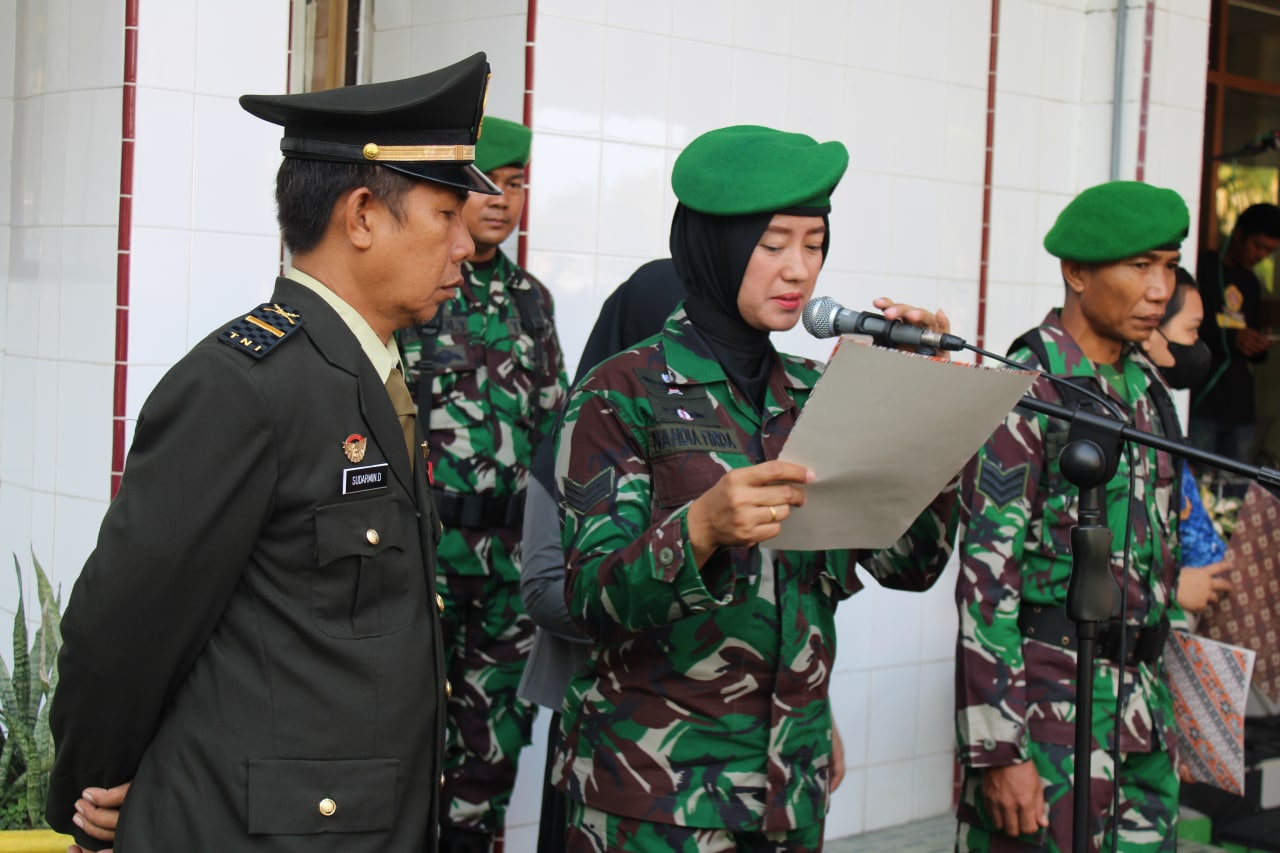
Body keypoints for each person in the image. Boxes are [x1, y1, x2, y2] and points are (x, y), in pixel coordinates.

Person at [45, 54, 497, 852]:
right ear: (363, 215)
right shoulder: (243, 387)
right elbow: (124, 627)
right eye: (445, 214)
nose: (466, 244)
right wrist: (97, 790)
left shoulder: (370, 371)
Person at [553, 124, 960, 851]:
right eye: (772, 244)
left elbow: (911, 565)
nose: (798, 269)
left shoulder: (817, 394)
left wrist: (919, 414)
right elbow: (590, 599)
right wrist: (700, 530)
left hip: (788, 787)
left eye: (814, 243)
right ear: (717, 245)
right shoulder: (622, 392)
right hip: (653, 793)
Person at [955, 180, 1189, 852]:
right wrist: (1001, 750)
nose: (1160, 290)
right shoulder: (1029, 387)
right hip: (1050, 716)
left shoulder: (1146, 388)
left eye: (1169, 266)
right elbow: (986, 580)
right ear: (1077, 272)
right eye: (1140, 266)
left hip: (1143, 716)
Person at [395, 115, 569, 851]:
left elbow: (556, 429)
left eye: (516, 183)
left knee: (494, 744)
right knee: (403, 736)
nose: (501, 198)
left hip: (509, 567)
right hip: (425, 560)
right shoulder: (416, 288)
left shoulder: (532, 299)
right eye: (486, 183)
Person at [518, 258, 686, 853]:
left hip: (703, 724)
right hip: (597, 721)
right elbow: (543, 590)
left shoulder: (714, 439)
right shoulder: (578, 438)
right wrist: (668, 602)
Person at [1143, 269, 1233, 624]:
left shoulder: (1158, 403)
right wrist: (1172, 586)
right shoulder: (1128, 410)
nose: (1198, 345)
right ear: (1152, 328)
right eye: (1192, 330)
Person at [1190, 202, 1280, 465]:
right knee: (1198, 479)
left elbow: (1250, 339)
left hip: (1240, 406)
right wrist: (1232, 338)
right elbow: (1188, 330)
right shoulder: (1204, 268)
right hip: (1204, 400)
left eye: (1269, 251)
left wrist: (1258, 343)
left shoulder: (1251, 283)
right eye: (1257, 245)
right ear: (1239, 234)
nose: (1261, 255)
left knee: (1236, 482)